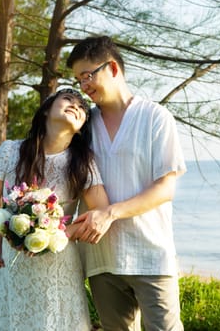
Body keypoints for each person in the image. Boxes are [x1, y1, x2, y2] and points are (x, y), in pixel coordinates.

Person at [66, 36, 187, 331]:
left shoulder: (155, 117)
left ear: (113, 68)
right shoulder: (82, 125)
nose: (84, 87)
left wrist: (110, 213)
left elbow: (165, 188)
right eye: (78, 80)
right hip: (101, 259)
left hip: (150, 254)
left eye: (87, 76)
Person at [0, 88, 109, 331]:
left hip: (60, 264)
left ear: (81, 128)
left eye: (81, 108)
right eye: (67, 100)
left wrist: (60, 234)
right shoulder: (9, 151)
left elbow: (100, 212)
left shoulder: (82, 162)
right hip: (13, 264)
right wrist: (5, 228)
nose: (75, 106)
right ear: (47, 109)